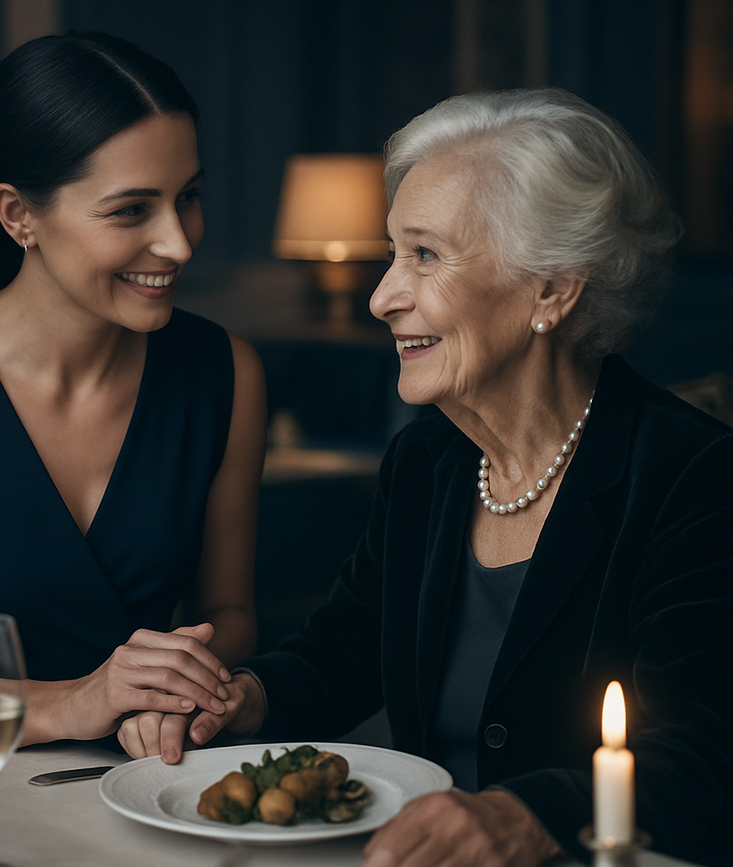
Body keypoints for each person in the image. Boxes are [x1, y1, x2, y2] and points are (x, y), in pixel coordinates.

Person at [185, 89, 733, 867]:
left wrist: (525, 815)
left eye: (426, 255)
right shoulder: (429, 463)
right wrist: (241, 698)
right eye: (391, 253)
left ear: (552, 288)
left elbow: (707, 757)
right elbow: (344, 653)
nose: (382, 297)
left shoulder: (695, 479)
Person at [0, 32, 266, 760]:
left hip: (151, 788)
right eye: (131, 211)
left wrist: (177, 686)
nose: (180, 243)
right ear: (17, 216)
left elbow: (230, 612)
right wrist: (77, 701)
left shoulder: (226, 372)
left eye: (187, 198)